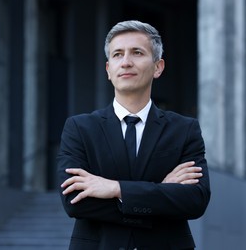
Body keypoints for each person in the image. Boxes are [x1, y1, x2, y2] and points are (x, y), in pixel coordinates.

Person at [57, 20, 211, 250]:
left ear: (158, 67)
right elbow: (75, 202)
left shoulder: (184, 129)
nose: (126, 62)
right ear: (109, 70)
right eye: (118, 54)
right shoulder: (80, 128)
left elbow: (195, 201)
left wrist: (115, 188)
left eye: (137, 52)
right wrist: (162, 190)